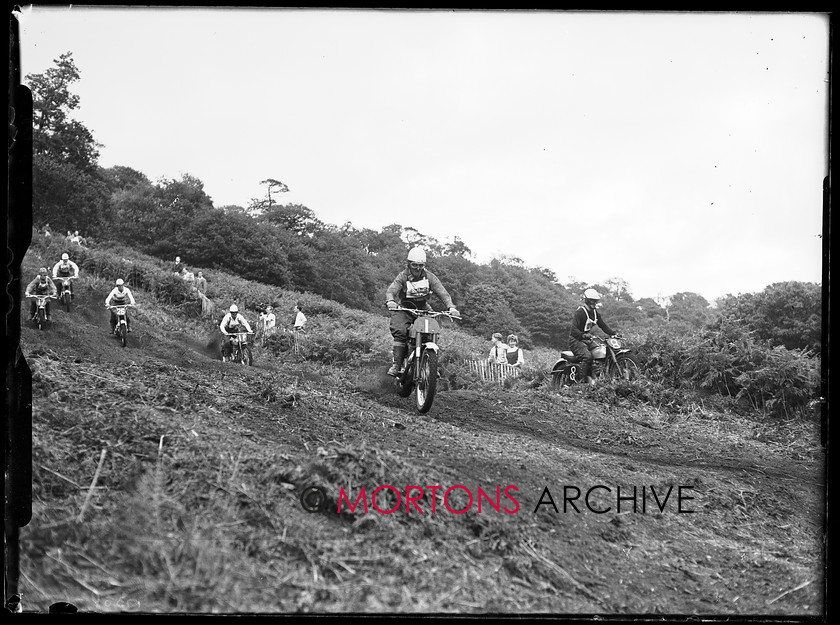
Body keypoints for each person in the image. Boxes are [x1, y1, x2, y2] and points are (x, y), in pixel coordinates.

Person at [385, 247, 459, 376]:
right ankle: (396, 365)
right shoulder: (403, 276)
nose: (417, 268)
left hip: (423, 308)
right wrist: (390, 301)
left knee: (432, 331)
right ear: (408, 264)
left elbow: (443, 293)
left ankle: (431, 365)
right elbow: (391, 290)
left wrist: (451, 307)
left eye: (420, 265)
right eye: (414, 265)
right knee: (400, 331)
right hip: (405, 308)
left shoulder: (430, 277)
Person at [569, 288, 618, 384]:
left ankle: (596, 376)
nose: (594, 303)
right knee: (587, 357)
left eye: (595, 301)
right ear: (586, 300)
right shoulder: (580, 312)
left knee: (600, 352)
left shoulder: (595, 313)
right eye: (592, 300)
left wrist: (613, 333)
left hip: (587, 340)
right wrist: (583, 335)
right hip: (575, 340)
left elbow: (603, 325)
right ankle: (581, 383)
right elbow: (573, 330)